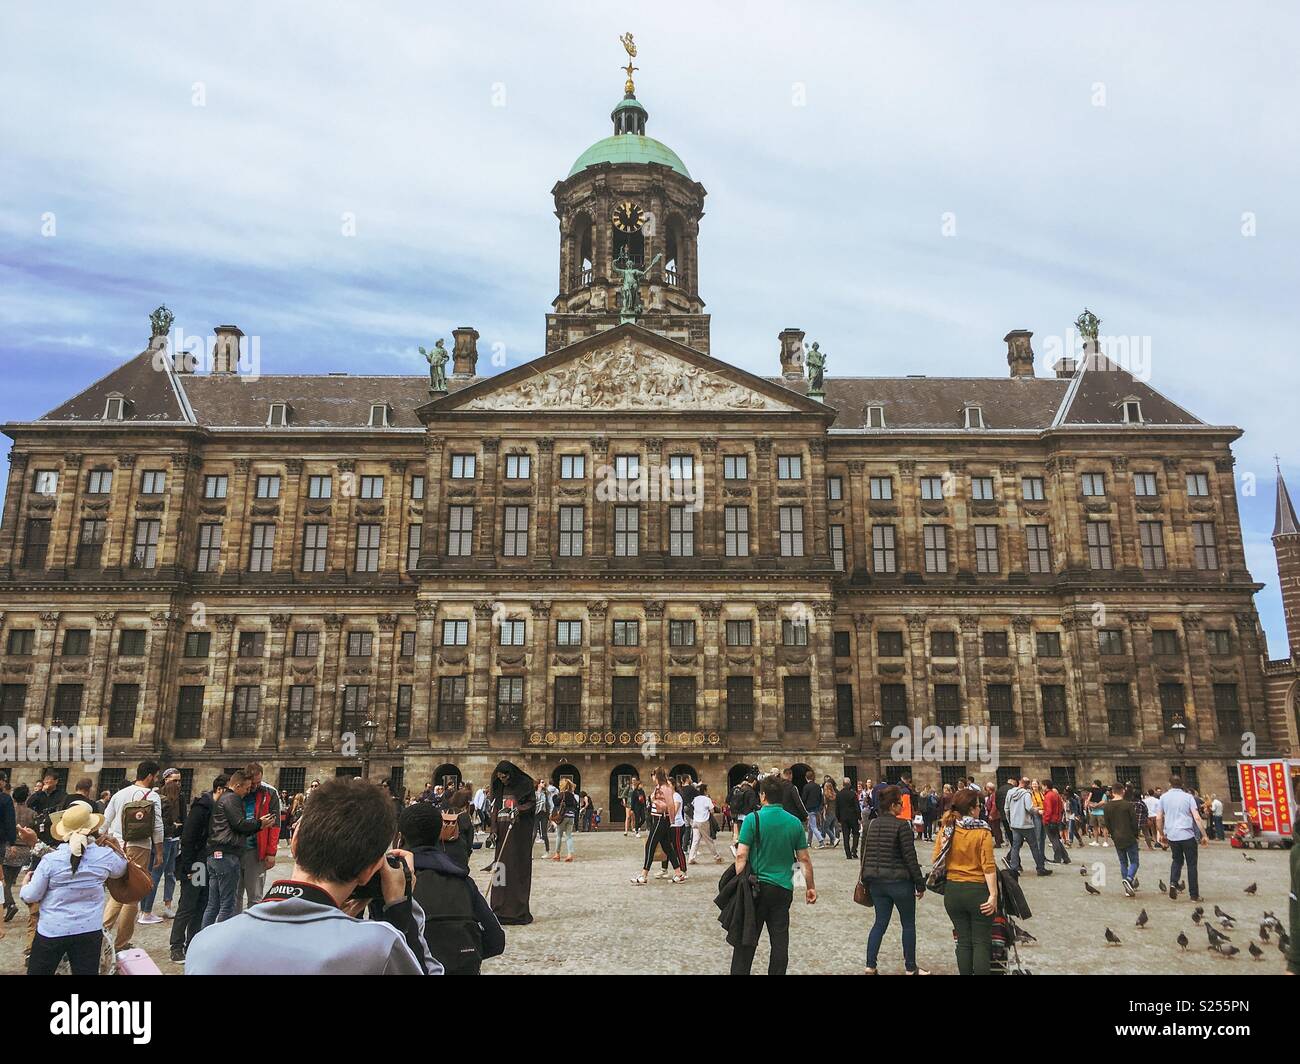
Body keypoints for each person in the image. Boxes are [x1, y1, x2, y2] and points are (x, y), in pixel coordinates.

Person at [185, 778, 431, 975]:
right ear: (370, 869)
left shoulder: (206, 944)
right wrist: (401, 911)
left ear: (295, 840)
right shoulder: (378, 948)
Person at [21, 801, 129, 974]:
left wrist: (25, 884)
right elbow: (122, 869)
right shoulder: (104, 856)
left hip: (52, 929)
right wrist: (114, 844)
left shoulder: (51, 860)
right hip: (88, 929)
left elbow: (31, 895)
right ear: (92, 827)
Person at [398, 802, 504, 975]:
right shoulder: (463, 881)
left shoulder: (395, 883)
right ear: (440, 834)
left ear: (401, 837)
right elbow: (496, 939)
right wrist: (466, 953)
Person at [730, 775, 816, 975]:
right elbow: (803, 860)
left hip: (755, 889)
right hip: (782, 889)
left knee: (746, 940)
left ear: (762, 796)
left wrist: (740, 883)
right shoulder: (794, 822)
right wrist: (808, 887)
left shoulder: (753, 819)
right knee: (779, 942)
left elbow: (741, 855)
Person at [859, 784, 927, 975]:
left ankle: (870, 965)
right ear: (894, 805)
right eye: (900, 804)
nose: (902, 807)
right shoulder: (902, 826)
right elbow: (910, 857)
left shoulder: (869, 825)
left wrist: (865, 878)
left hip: (876, 883)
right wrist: (919, 883)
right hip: (899, 883)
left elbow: (863, 854)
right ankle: (910, 967)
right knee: (908, 924)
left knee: (879, 923)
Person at [933, 787, 998, 975]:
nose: (980, 809)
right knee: (981, 943)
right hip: (977, 891)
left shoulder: (946, 829)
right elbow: (988, 866)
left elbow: (936, 858)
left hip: (953, 892)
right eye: (978, 806)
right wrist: (993, 895)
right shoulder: (982, 831)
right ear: (971, 809)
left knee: (963, 942)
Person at [101, 760, 164, 950]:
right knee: (133, 893)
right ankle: (121, 942)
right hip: (139, 846)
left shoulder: (119, 794)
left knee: (117, 891)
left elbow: (105, 821)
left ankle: (101, 933)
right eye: (156, 776)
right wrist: (159, 851)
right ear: (150, 776)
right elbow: (157, 825)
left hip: (116, 846)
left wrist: (103, 842)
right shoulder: (152, 796)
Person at [201, 770, 277, 928]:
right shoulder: (232, 798)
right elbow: (240, 824)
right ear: (236, 785)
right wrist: (259, 824)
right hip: (226, 855)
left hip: (215, 855)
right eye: (247, 788)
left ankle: (203, 938)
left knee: (213, 904)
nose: (248, 791)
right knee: (227, 905)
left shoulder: (223, 798)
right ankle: (221, 943)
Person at [170, 775, 226, 963]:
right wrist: (188, 867)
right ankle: (176, 947)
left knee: (202, 904)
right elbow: (188, 838)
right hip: (197, 865)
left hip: (208, 863)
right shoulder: (202, 807)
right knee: (188, 905)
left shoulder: (217, 808)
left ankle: (192, 943)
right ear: (220, 789)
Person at [488, 761, 536, 924]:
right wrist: (493, 830)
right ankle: (498, 907)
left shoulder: (524, 784)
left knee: (517, 870)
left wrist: (519, 810)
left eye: (505, 776)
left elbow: (531, 803)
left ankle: (517, 910)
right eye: (500, 777)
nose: (503, 780)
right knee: (500, 869)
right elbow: (494, 809)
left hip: (518, 835)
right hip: (502, 835)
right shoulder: (498, 786)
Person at [140, 768, 184, 924]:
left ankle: (166, 905)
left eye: (179, 780)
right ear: (166, 780)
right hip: (163, 840)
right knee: (155, 875)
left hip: (173, 839)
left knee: (170, 874)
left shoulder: (180, 797)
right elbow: (160, 823)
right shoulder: (157, 797)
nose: (177, 784)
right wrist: (174, 826)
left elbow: (182, 817)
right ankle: (146, 910)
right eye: (174, 780)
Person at [236, 762, 281, 913]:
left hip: (256, 850)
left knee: (255, 896)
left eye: (258, 782)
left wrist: (271, 852)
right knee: (234, 894)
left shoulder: (270, 792)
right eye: (252, 783)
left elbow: (275, 825)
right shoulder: (238, 791)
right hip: (236, 848)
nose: (255, 786)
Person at [1155, 775, 1208, 902]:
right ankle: (1194, 895)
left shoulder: (1163, 797)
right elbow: (1197, 817)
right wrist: (1204, 834)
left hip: (1172, 835)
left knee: (1177, 860)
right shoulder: (1188, 797)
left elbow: (1158, 818)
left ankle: (1173, 882)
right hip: (1187, 834)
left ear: (1169, 784)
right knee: (1191, 865)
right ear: (1182, 784)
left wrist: (1161, 834)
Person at [632, 768, 685, 885]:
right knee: (667, 847)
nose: (652, 777)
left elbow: (670, 806)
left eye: (653, 774)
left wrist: (655, 802)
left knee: (650, 845)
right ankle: (679, 873)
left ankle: (644, 875)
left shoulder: (664, 788)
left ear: (657, 776)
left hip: (661, 818)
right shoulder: (660, 788)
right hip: (659, 818)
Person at [4, 783, 36, 923]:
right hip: (25, 850)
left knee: (3, 882)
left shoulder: (9, 810)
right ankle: (8, 902)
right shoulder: (32, 813)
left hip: (9, 848)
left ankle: (10, 904)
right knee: (9, 881)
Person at [1005, 776, 1051, 876]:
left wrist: (1010, 822)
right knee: (1034, 846)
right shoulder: (1026, 794)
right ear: (1027, 785)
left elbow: (1006, 809)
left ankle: (1014, 868)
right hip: (1026, 825)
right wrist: (1038, 810)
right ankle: (1040, 868)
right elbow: (1029, 808)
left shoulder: (1010, 793)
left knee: (1015, 847)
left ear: (1019, 782)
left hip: (1015, 824)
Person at [1103, 783, 1141, 896]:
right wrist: (1136, 835)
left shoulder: (1107, 806)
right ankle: (1129, 879)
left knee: (1123, 862)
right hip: (1129, 836)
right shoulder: (1128, 805)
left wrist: (1112, 835)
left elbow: (1107, 824)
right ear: (1123, 791)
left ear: (1112, 792)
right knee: (1134, 862)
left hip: (1117, 837)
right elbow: (1134, 822)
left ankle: (1127, 890)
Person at [688, 783, 722, 864]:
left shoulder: (695, 799)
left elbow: (693, 806)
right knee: (708, 840)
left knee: (695, 841)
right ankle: (716, 856)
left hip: (695, 821)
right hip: (703, 821)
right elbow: (712, 810)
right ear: (705, 790)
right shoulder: (707, 799)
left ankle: (691, 858)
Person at [1041, 780, 1070, 864]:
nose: (1042, 787)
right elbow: (1061, 808)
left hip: (1050, 820)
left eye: (1043, 786)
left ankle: (1057, 859)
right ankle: (1066, 858)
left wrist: (1045, 820)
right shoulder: (1056, 795)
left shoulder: (1048, 796)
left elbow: (1048, 810)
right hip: (1056, 819)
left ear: (1046, 786)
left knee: (1054, 840)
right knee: (1056, 839)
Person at [552, 778, 579, 862]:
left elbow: (556, 802)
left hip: (563, 816)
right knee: (569, 836)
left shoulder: (561, 794)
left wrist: (554, 796)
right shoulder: (572, 795)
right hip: (571, 817)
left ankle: (557, 854)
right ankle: (569, 854)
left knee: (559, 835)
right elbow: (575, 805)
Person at [836, 778, 861, 859]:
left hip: (843, 817)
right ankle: (854, 850)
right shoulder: (852, 794)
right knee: (856, 833)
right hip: (853, 817)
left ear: (843, 784)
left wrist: (838, 818)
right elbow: (857, 807)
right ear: (849, 784)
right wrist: (859, 817)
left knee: (846, 836)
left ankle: (848, 854)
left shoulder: (839, 794)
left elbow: (837, 807)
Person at [800, 770, 824, 848]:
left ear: (806, 778)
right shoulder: (817, 786)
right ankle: (808, 842)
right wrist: (820, 806)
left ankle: (821, 841)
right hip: (817, 808)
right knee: (810, 826)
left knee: (813, 826)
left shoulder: (806, 787)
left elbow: (804, 798)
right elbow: (821, 797)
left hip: (810, 809)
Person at [533, 777, 552, 854]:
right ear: (538, 784)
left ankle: (547, 851)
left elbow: (550, 804)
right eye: (542, 782)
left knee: (544, 834)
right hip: (535, 814)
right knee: (533, 834)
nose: (544, 783)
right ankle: (530, 852)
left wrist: (550, 813)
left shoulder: (546, 793)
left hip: (543, 814)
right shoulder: (534, 793)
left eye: (544, 782)